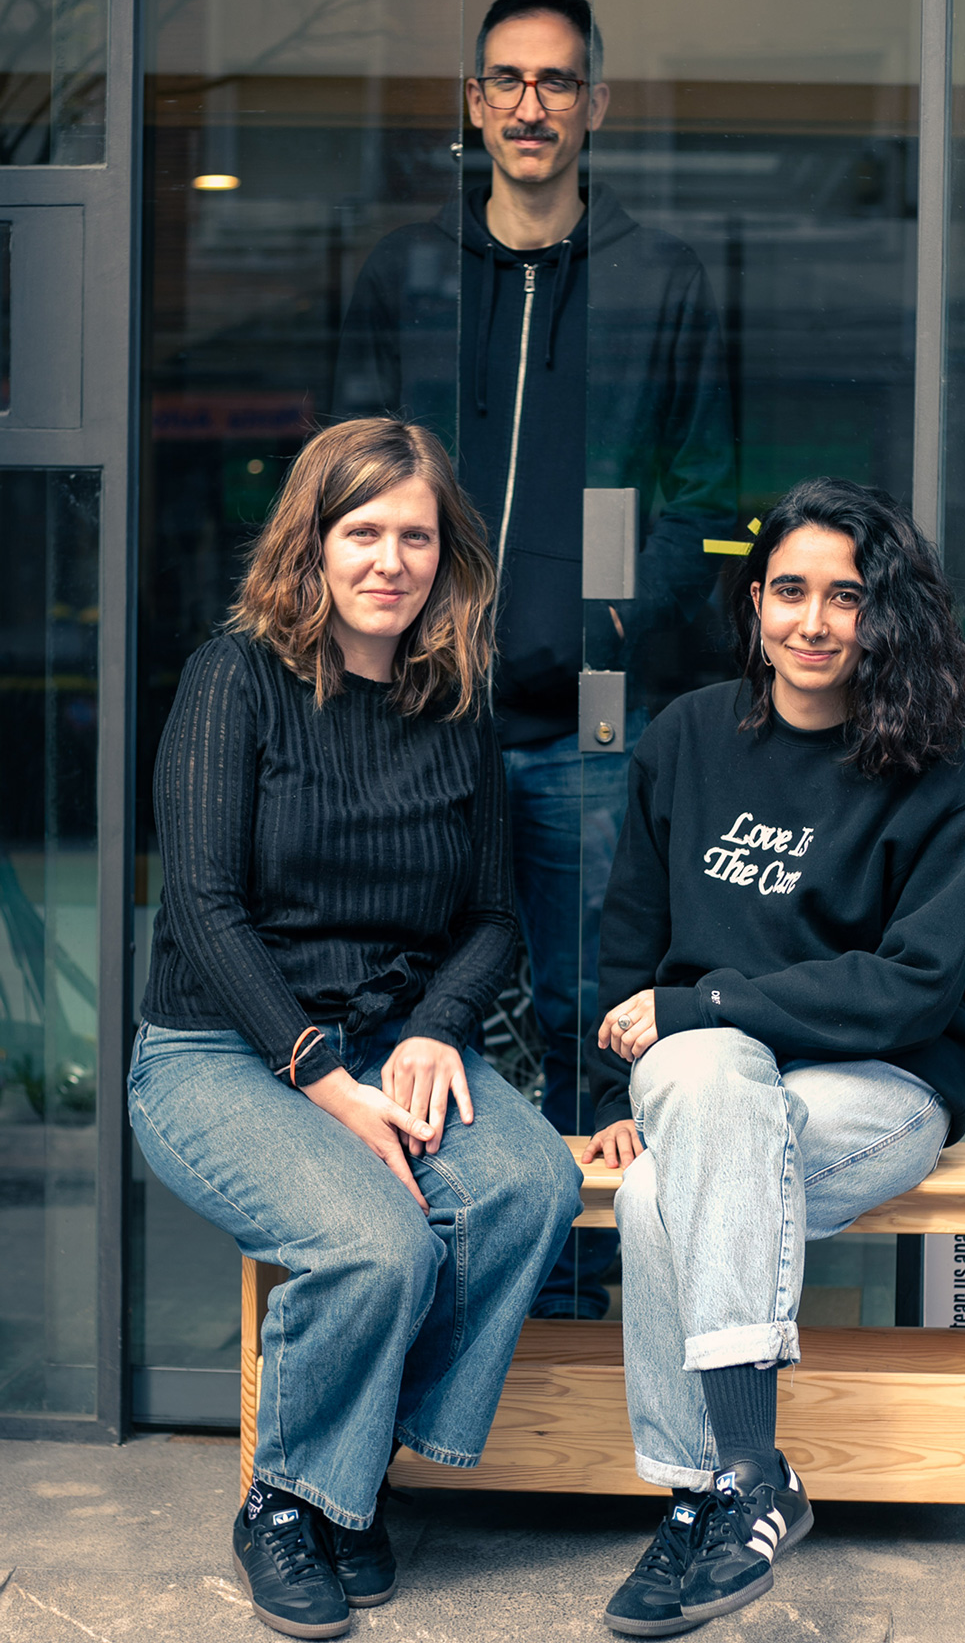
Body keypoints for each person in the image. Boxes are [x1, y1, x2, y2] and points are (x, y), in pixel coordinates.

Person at [127, 418, 582, 1641]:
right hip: (219, 1051)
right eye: (362, 531)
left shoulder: (454, 704)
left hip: (393, 1042)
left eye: (415, 535)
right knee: (379, 1246)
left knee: (531, 1184)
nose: (390, 559)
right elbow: (206, 913)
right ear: (314, 545)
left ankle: (355, 1462)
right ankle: (286, 1502)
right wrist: (324, 1078)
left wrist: (439, 1030)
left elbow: (493, 917)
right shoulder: (238, 680)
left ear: (447, 556)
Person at [334, 0, 735, 1317]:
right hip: (421, 714)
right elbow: (347, 479)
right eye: (505, 80)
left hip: (594, 705)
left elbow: (696, 491)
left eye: (556, 82)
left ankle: (577, 1297)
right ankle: (437, 1277)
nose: (528, 105)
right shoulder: (406, 271)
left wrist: (603, 625)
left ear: (595, 107)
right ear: (473, 102)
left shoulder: (661, 274)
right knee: (413, 992)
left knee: (583, 1003)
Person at [584, 477, 965, 1635]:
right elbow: (629, 944)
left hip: (884, 1087)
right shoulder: (686, 740)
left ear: (886, 614)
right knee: (697, 1104)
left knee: (676, 1175)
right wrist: (635, 1079)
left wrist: (711, 1005)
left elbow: (911, 988)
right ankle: (748, 1484)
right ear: (754, 599)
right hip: (701, 1078)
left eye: (847, 597)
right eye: (791, 591)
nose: (814, 623)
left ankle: (709, 1485)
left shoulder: (932, 776)